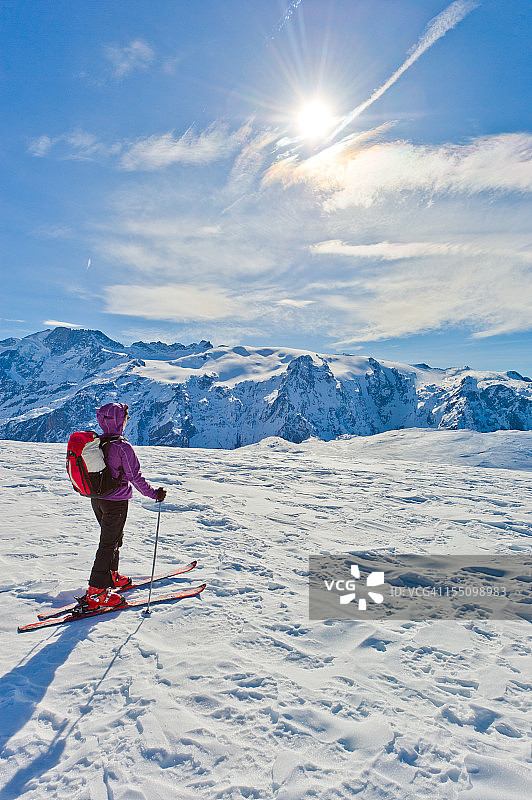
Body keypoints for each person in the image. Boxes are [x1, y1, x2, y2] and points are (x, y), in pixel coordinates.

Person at [85, 402, 167, 610]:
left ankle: (111, 575)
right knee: (108, 543)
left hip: (97, 500)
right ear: (119, 421)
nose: (126, 421)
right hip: (116, 503)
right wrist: (154, 494)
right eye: (125, 418)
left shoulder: (96, 444)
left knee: (114, 539)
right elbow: (135, 477)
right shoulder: (122, 447)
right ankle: (96, 592)